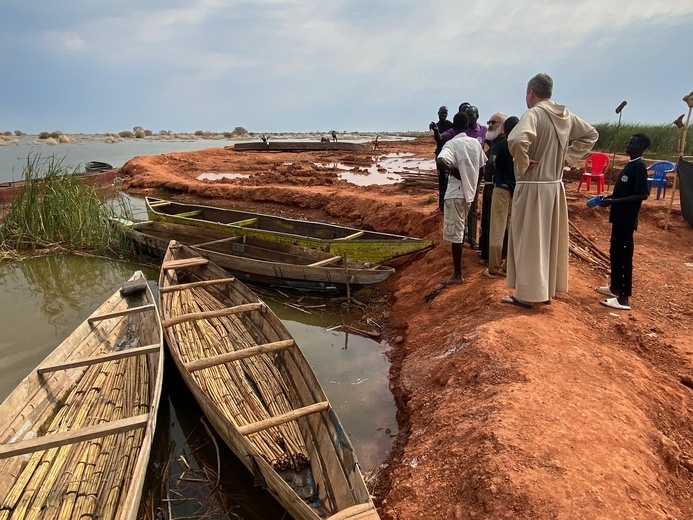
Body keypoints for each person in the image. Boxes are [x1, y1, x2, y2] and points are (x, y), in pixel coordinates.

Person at [502, 73, 598, 308]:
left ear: (531, 92)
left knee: (530, 241)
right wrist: (568, 158)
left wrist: (523, 161)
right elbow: (591, 134)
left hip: (533, 187)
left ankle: (526, 295)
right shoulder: (565, 115)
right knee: (546, 241)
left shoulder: (534, 114)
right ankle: (543, 291)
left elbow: (515, 139)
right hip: (554, 188)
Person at [595, 133, 651, 310]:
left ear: (641, 146)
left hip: (627, 219)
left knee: (624, 257)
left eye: (632, 143)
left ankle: (623, 299)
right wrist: (609, 198)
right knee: (615, 252)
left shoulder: (639, 167)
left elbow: (642, 194)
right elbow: (623, 193)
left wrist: (614, 202)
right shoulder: (631, 165)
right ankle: (614, 287)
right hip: (619, 218)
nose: (628, 145)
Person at [436, 112, 487, 284]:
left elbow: (440, 161)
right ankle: (458, 269)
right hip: (468, 194)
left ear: (453, 127)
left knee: (456, 234)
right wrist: (472, 185)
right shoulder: (475, 143)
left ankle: (457, 274)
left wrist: (455, 171)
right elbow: (482, 168)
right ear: (467, 126)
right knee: (461, 228)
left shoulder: (452, 144)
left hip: (455, 193)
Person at [484, 116, 519, 278]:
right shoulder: (520, 145)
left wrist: (494, 173)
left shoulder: (502, 144)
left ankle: (493, 268)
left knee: (497, 229)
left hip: (501, 189)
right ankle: (508, 268)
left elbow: (490, 161)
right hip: (517, 191)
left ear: (505, 129)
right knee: (513, 230)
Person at [478, 112, 507, 265]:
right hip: (491, 187)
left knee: (495, 223)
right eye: (489, 122)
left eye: (493, 122)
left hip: (499, 187)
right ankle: (486, 254)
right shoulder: (495, 142)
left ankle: (494, 259)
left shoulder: (502, 143)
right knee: (487, 221)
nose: (489, 125)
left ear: (502, 126)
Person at [462, 105, 488, 250]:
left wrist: (486, 160)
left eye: (471, 115)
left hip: (476, 176)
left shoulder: (483, 131)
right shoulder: (462, 132)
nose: (469, 118)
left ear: (477, 116)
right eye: (467, 115)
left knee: (473, 207)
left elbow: (493, 145)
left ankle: (472, 240)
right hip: (461, 174)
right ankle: (460, 237)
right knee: (461, 205)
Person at [429, 106, 454, 215]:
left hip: (448, 157)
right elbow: (437, 139)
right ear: (438, 113)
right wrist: (435, 130)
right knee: (441, 182)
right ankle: (441, 207)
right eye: (442, 113)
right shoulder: (436, 125)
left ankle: (446, 206)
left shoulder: (450, 125)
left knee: (448, 183)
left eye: (445, 113)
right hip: (439, 157)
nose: (444, 115)